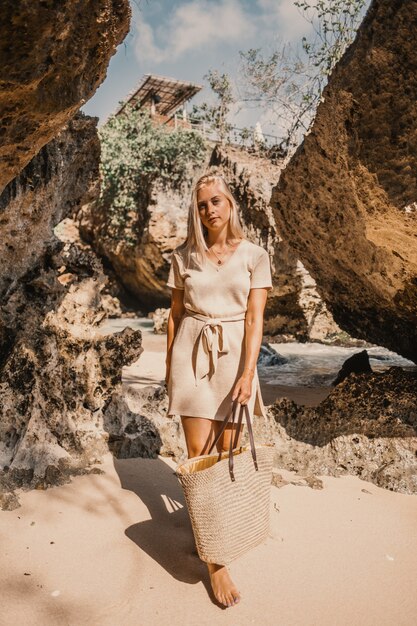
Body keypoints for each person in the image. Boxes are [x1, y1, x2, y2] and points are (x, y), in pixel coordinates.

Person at [165, 173, 272, 608]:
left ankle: (216, 530)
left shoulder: (254, 255)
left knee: (228, 455)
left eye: (216, 201)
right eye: (202, 204)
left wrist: (248, 374)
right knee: (200, 459)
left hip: (233, 362)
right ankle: (216, 563)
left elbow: (254, 321)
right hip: (191, 356)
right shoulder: (183, 256)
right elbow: (174, 314)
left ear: (229, 204)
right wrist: (169, 367)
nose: (209, 210)